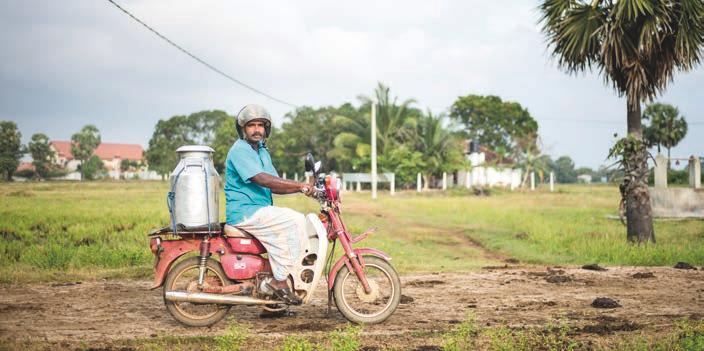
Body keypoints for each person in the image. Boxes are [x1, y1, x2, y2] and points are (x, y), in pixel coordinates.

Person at [223, 104, 315, 305]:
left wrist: (305, 189)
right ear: (243, 129)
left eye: (260, 125)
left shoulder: (262, 151)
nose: (257, 130)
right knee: (296, 221)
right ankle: (279, 281)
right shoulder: (240, 150)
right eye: (251, 125)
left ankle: (271, 296)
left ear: (266, 129)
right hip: (246, 211)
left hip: (259, 210)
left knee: (292, 223)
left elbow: (275, 184)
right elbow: (262, 179)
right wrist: (301, 186)